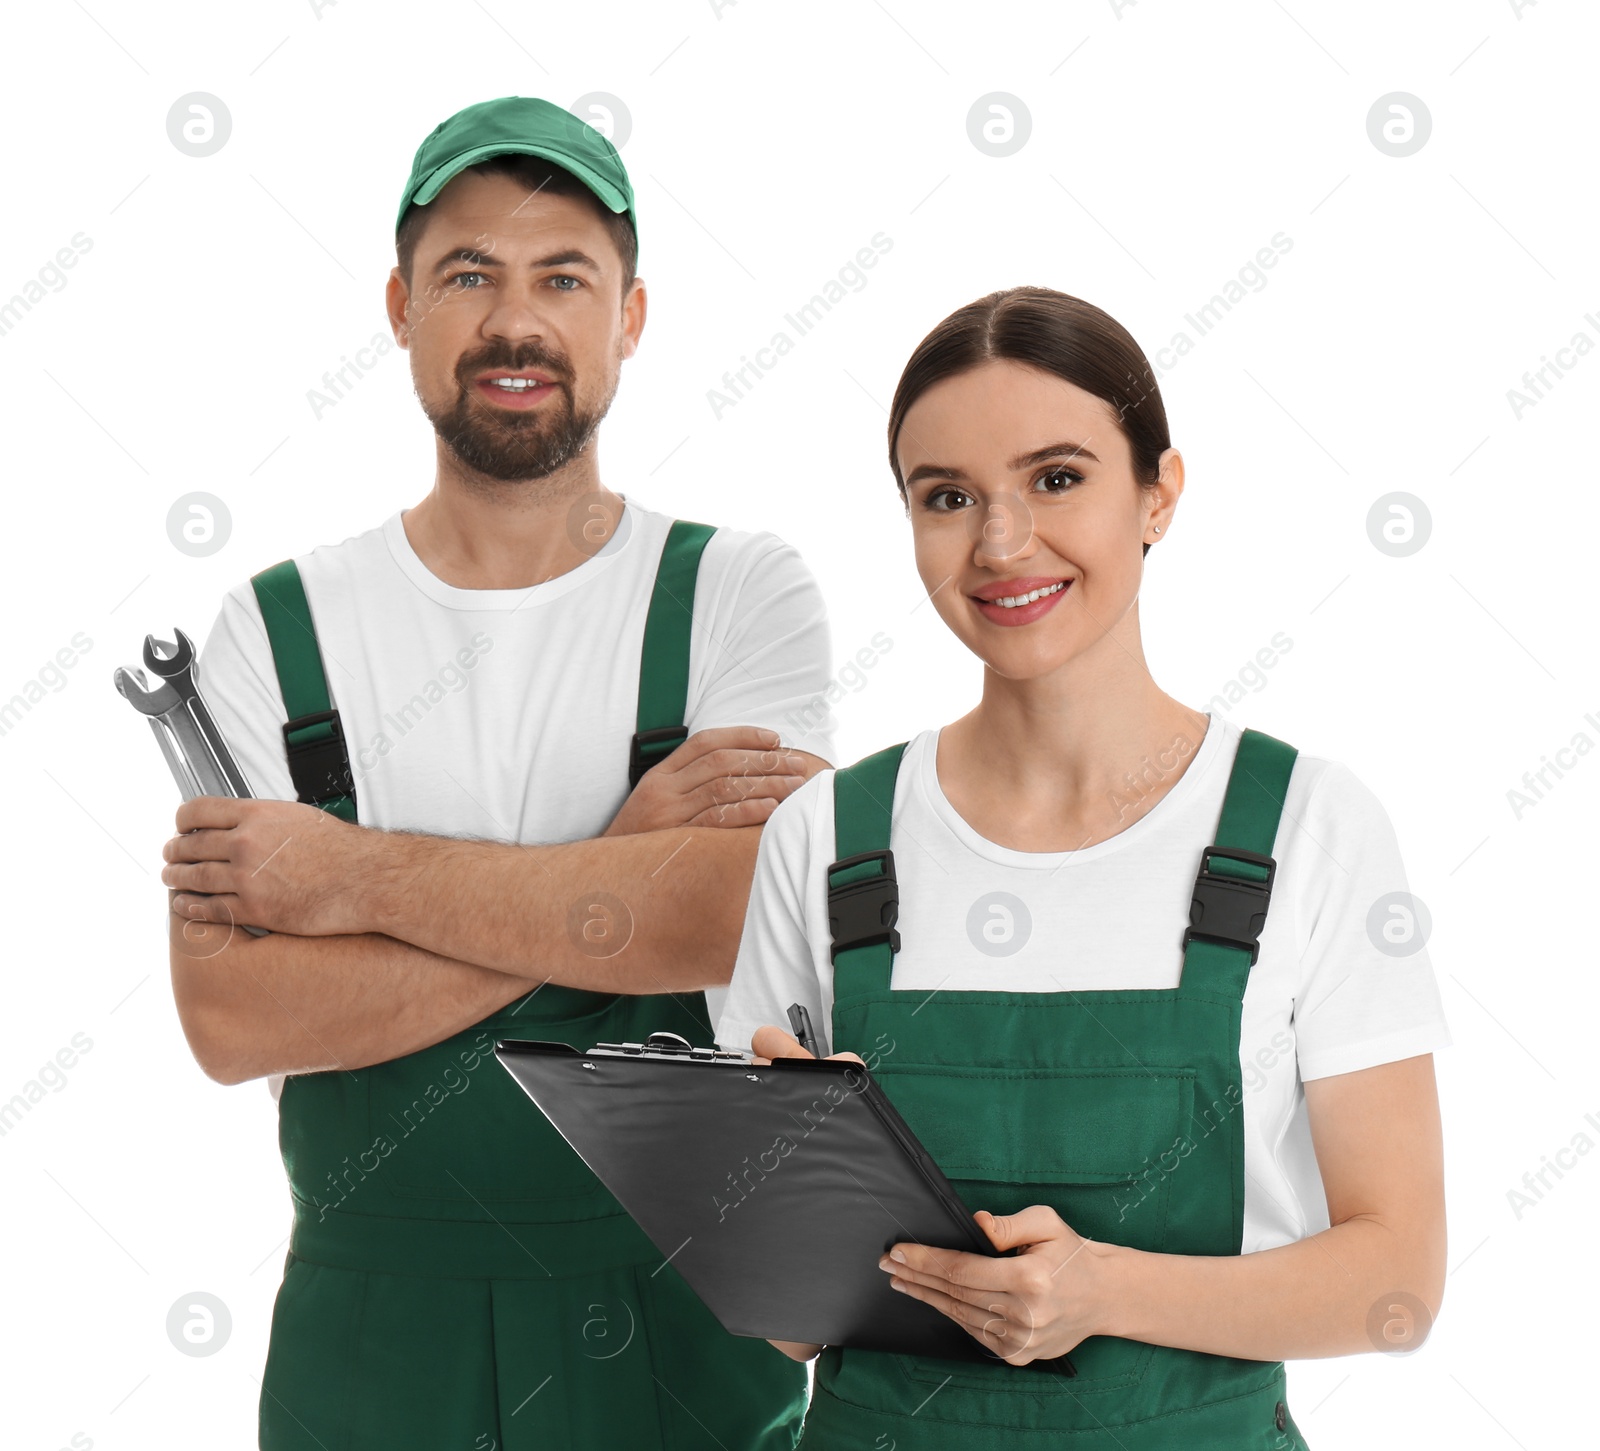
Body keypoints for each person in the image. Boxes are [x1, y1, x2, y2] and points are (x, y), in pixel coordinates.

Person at [162, 96, 829, 1450]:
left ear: (630, 318)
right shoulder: (276, 630)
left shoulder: (741, 593)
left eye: (563, 279)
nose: (513, 323)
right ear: (402, 306)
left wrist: (346, 877)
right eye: (469, 275)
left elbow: (719, 914)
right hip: (368, 1337)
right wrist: (619, 863)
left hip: (681, 1317)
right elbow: (234, 1016)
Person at [717, 286, 1451, 1449]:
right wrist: (799, 1187)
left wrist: (1105, 1289)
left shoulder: (1306, 825)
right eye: (947, 497)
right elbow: (792, 1331)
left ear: (1157, 490)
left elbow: (1396, 1278)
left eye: (1056, 478)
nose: (1001, 543)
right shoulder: (823, 839)